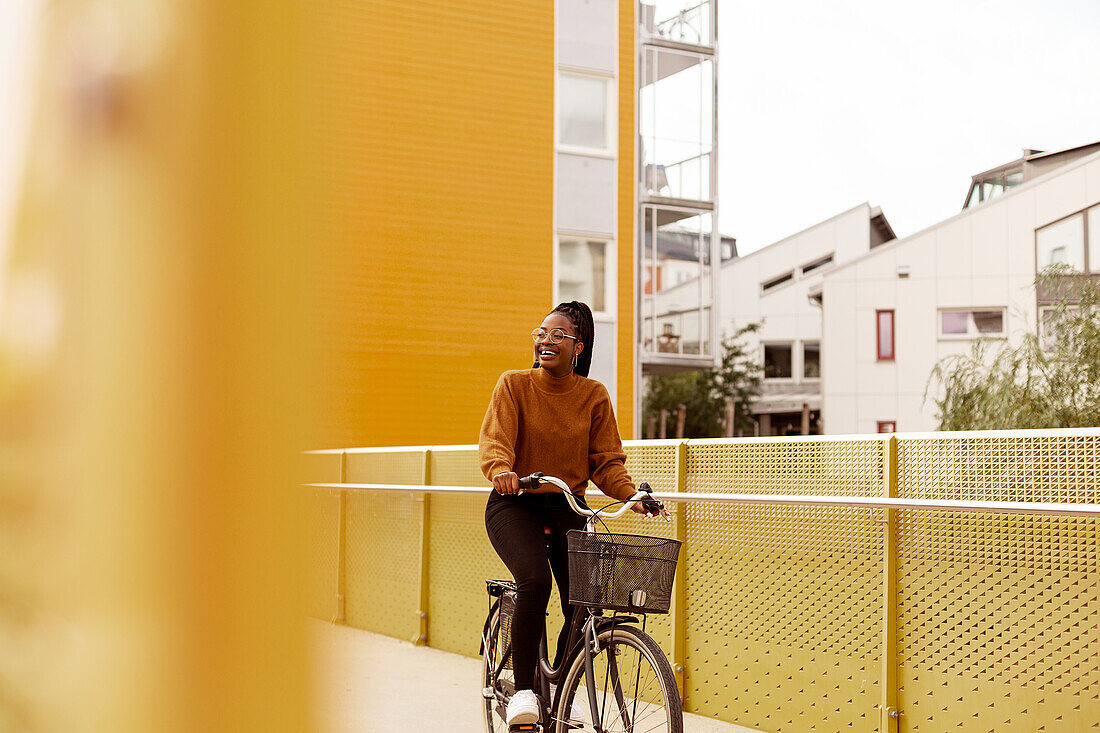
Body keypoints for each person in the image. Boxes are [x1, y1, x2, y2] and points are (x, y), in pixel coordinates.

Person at [479, 301, 661, 726]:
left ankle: (563, 686)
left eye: (557, 334)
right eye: (541, 333)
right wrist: (502, 471)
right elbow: (496, 440)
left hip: (566, 504)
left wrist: (632, 495)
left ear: (578, 346)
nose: (545, 340)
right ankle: (524, 691)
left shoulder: (593, 395)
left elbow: (607, 462)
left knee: (587, 597)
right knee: (535, 580)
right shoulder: (514, 385)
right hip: (515, 502)